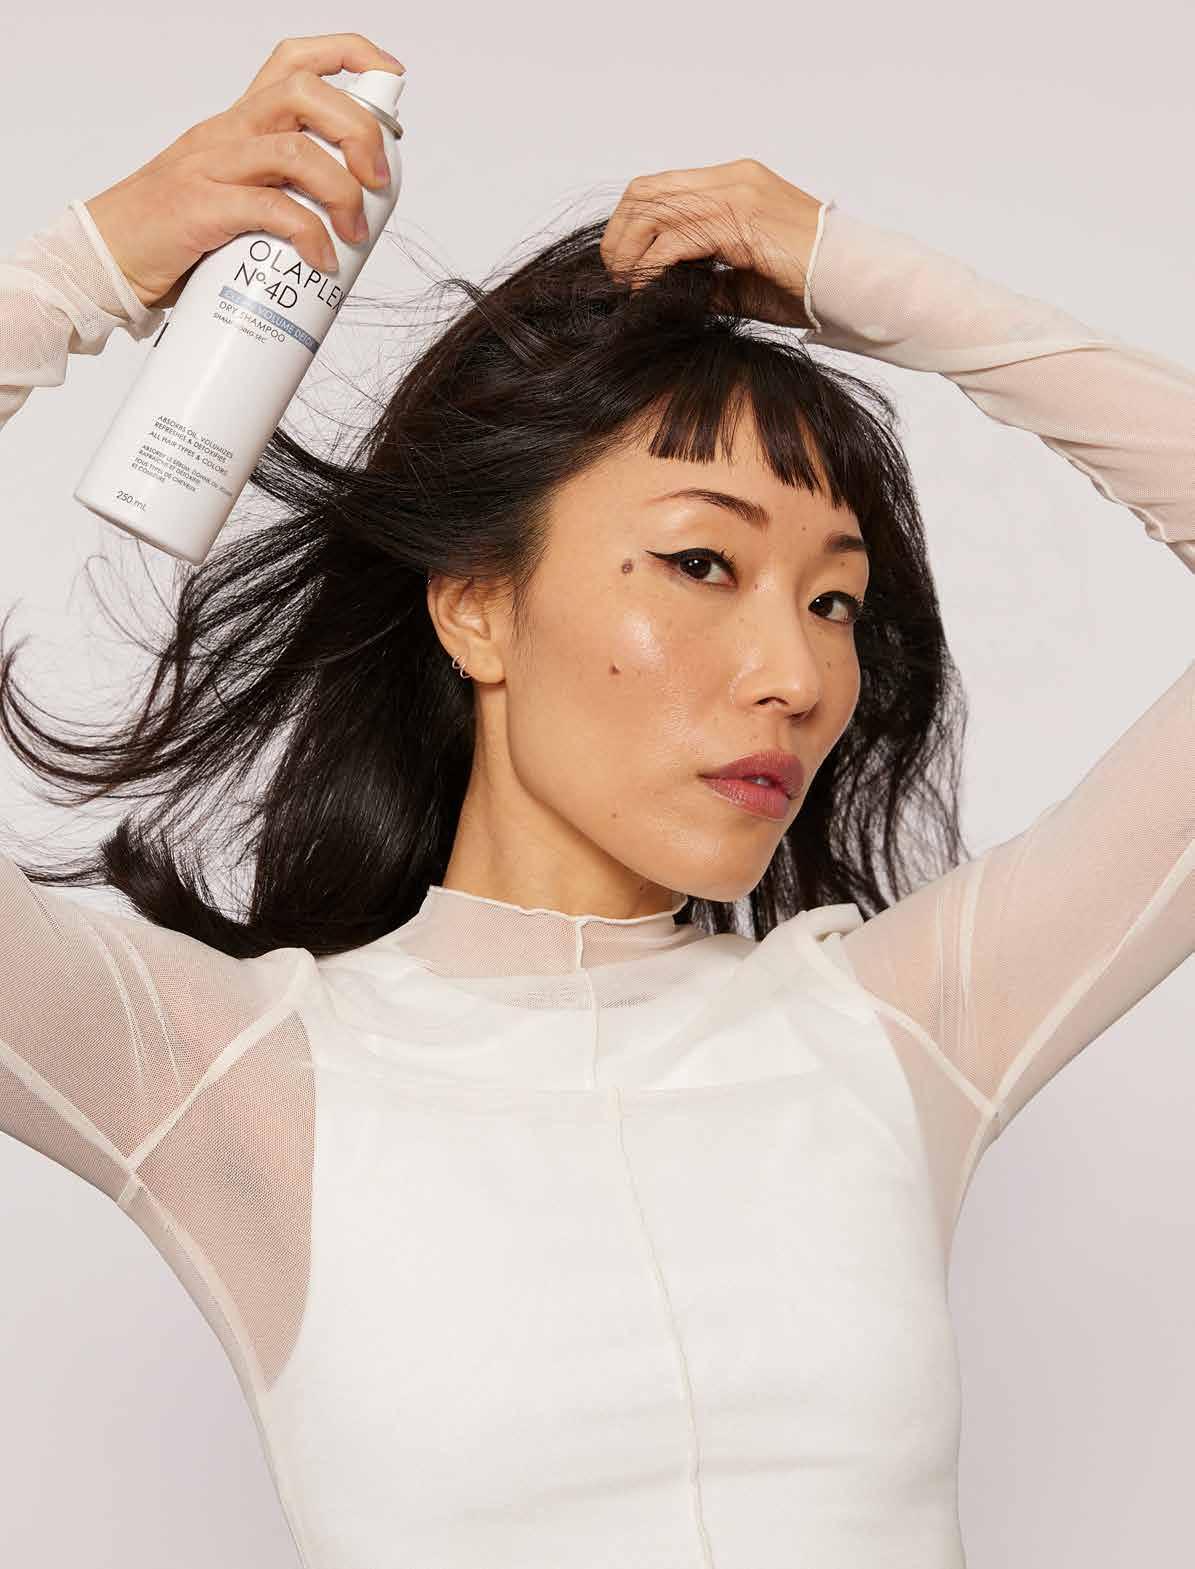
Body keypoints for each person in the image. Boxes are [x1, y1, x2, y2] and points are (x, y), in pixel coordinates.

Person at [1, 29, 1191, 1569]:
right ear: (478, 606)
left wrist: (874, 283)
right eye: (701, 561)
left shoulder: (896, 1036)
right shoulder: (238, 1082)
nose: (794, 674)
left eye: (835, 600)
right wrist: (93, 266)